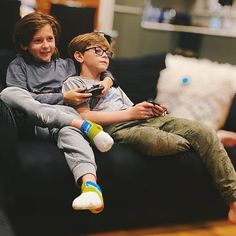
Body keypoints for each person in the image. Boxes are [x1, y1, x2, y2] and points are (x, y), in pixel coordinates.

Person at [62, 32, 236, 223]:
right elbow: (85, 116)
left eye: (107, 52)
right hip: (116, 127)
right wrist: (131, 114)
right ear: (79, 56)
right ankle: (211, 140)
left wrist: (149, 109)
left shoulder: (112, 83)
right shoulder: (74, 83)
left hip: (142, 119)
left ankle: (233, 202)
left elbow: (130, 107)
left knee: (201, 130)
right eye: (97, 50)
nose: (104, 55)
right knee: (158, 141)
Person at [0, 13, 118, 214]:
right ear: (24, 44)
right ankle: (85, 126)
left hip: (64, 121)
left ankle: (90, 187)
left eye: (50, 39)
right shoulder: (19, 66)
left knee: (68, 130)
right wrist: (64, 97)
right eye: (38, 41)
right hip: (36, 122)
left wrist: (107, 81)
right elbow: (23, 102)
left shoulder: (68, 65)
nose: (46, 45)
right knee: (8, 93)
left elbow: (100, 68)